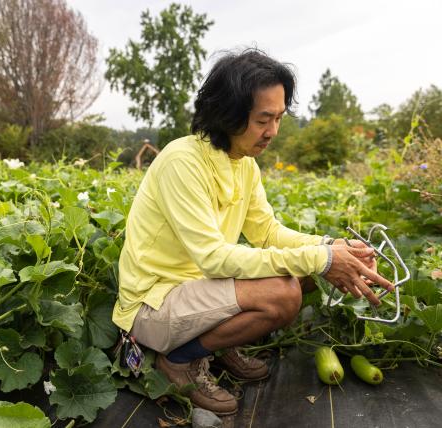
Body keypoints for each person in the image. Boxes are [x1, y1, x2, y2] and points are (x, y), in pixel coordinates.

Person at [112, 49, 394, 415]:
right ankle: (179, 361)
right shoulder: (183, 161)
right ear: (229, 112)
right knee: (283, 293)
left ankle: (214, 342)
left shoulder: (243, 165)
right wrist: (322, 261)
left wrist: (331, 247)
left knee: (302, 275)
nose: (273, 132)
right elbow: (213, 258)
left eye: (278, 119)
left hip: (195, 291)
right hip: (152, 304)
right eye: (264, 120)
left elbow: (268, 232)